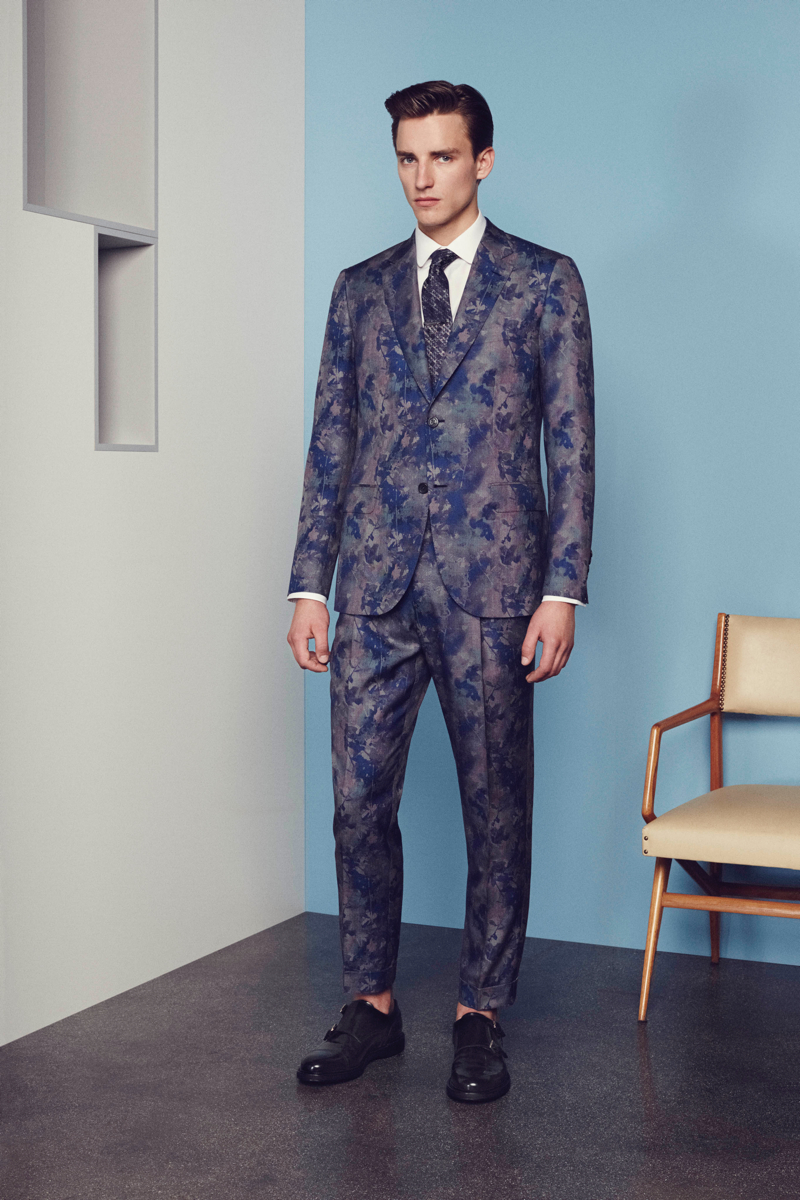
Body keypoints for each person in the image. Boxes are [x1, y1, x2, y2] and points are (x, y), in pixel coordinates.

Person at [286, 80, 594, 1103]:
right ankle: (370, 1006)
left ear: (482, 161)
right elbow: (331, 443)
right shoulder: (359, 288)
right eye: (407, 158)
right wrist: (309, 585)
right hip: (373, 586)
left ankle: (479, 1015)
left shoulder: (543, 282)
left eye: (442, 157)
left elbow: (572, 445)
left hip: (493, 588)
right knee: (354, 801)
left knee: (494, 807)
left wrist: (562, 588)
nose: (422, 178)